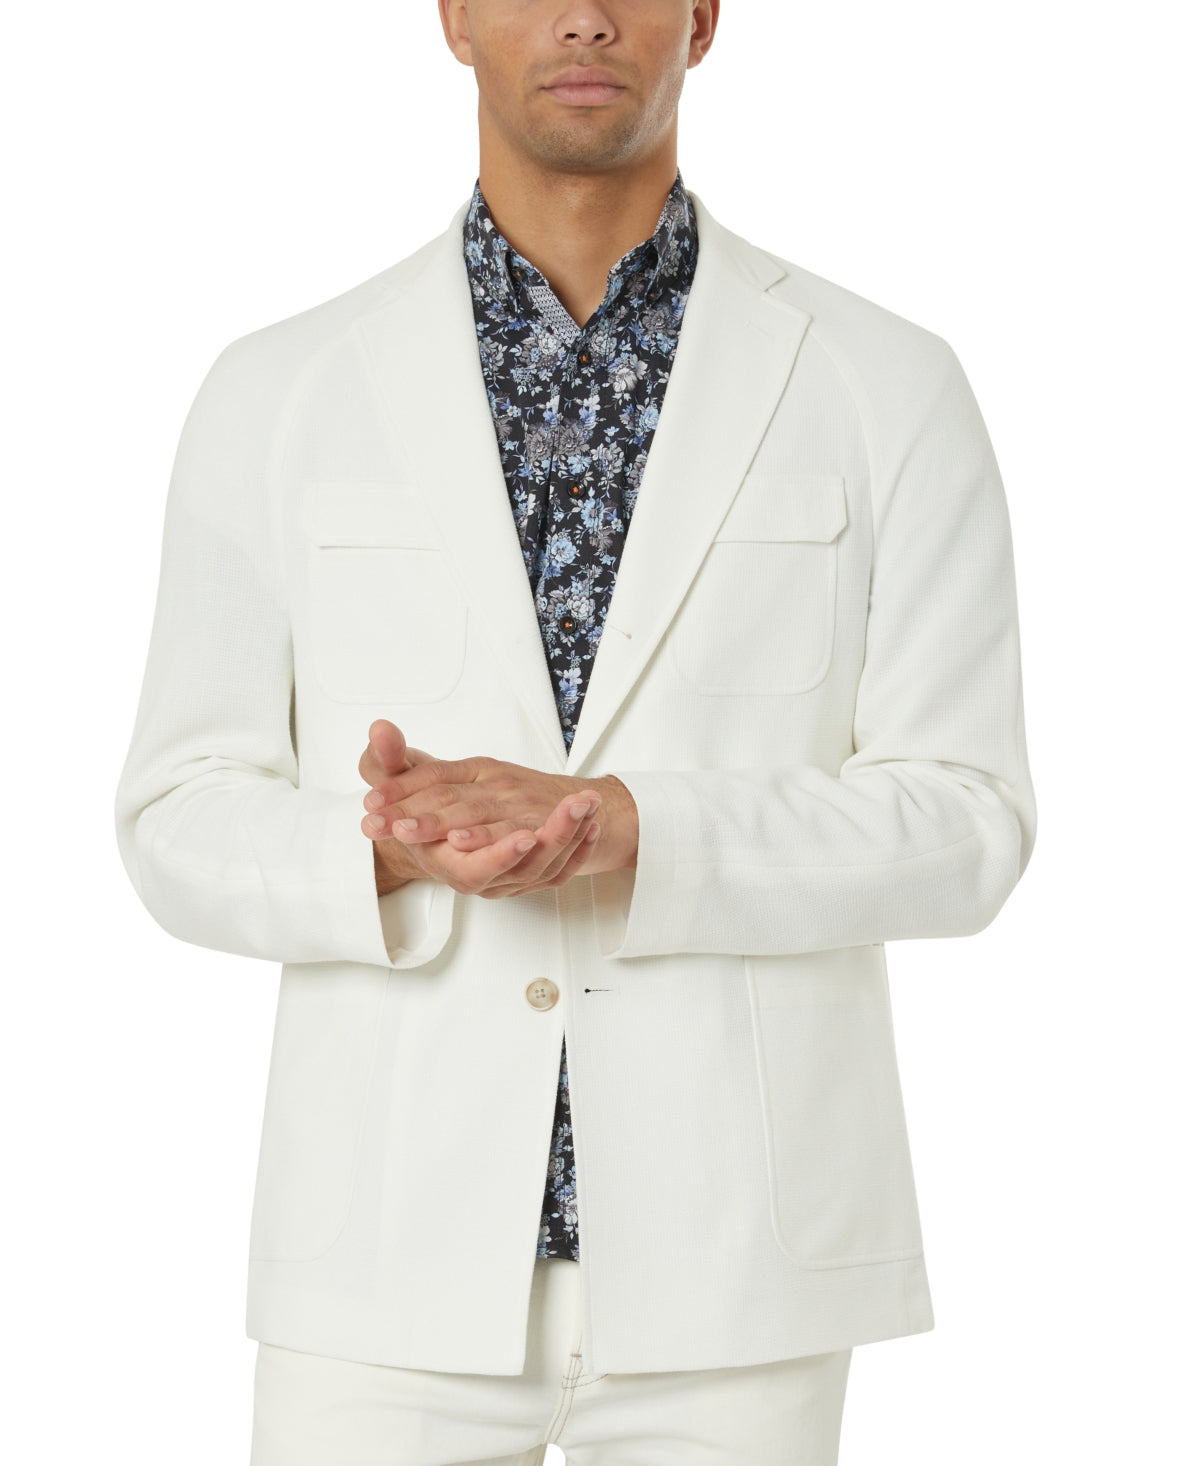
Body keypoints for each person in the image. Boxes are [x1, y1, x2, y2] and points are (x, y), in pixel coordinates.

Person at [113, 1, 1037, 1461]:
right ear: (454, 17)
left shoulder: (885, 384)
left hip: (740, 1270)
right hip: (380, 1259)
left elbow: (969, 816)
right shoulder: (280, 389)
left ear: (704, 17)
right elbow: (175, 811)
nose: (586, 15)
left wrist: (638, 825)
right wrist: (390, 848)